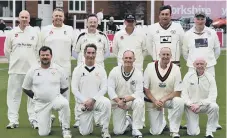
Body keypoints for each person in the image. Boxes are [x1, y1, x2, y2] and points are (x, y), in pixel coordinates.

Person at [22, 46, 72, 138]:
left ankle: (66, 129)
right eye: (43, 55)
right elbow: (25, 88)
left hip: (55, 99)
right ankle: (49, 119)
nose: (45, 57)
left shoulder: (58, 69)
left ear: (51, 56)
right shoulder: (33, 70)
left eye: (47, 55)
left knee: (64, 103)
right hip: (41, 104)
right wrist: (36, 97)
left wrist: (55, 94)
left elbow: (65, 86)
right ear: (39, 56)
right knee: (43, 133)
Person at [72, 14, 110, 128]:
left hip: (98, 70)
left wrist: (97, 62)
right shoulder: (81, 36)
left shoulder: (103, 36)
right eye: (90, 22)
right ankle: (78, 118)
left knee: (97, 94)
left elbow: (107, 53)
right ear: (87, 23)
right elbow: (75, 52)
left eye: (94, 22)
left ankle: (97, 119)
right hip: (83, 70)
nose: (92, 24)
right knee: (79, 94)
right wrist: (82, 63)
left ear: (98, 23)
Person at [4, 10, 39, 129]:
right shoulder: (12, 33)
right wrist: (15, 61)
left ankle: (34, 119)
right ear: (18, 18)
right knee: (13, 96)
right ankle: (13, 120)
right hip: (15, 70)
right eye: (22, 17)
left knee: (33, 97)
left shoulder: (35, 32)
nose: (24, 19)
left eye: (26, 17)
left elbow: (39, 51)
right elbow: (7, 51)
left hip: (31, 71)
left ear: (29, 19)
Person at [39, 8, 74, 123]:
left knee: (64, 95)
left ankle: (63, 120)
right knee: (47, 94)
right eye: (56, 15)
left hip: (65, 68)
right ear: (52, 17)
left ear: (63, 17)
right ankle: (47, 118)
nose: (58, 17)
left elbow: (75, 48)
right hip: (48, 68)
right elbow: (39, 49)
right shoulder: (45, 30)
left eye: (60, 15)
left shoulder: (69, 29)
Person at [71, 44, 111, 138]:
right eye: (88, 53)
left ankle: (105, 130)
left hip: (96, 101)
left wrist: (93, 100)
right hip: (84, 103)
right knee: (85, 132)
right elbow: (74, 89)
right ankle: (92, 119)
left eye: (93, 53)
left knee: (107, 102)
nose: (91, 55)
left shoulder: (101, 69)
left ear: (95, 54)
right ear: (84, 54)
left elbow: (104, 88)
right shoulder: (77, 70)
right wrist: (85, 101)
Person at [143, 47, 184, 138]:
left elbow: (177, 91)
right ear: (159, 55)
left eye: (167, 54)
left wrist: (163, 100)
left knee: (179, 101)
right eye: (163, 54)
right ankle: (163, 123)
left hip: (168, 100)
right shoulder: (150, 67)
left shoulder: (176, 69)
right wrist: (155, 101)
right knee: (155, 132)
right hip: (153, 101)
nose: (165, 56)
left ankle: (174, 131)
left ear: (171, 56)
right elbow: (146, 89)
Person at [108, 50, 144, 138]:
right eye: (126, 58)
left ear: (134, 59)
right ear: (122, 59)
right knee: (118, 132)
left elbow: (139, 92)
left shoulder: (138, 73)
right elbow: (110, 89)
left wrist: (124, 100)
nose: (128, 60)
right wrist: (118, 101)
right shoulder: (114, 71)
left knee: (139, 101)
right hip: (117, 102)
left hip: (131, 101)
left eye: (130, 58)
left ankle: (136, 129)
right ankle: (128, 120)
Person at [181, 58, 219, 138]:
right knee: (193, 133)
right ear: (194, 65)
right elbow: (183, 94)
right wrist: (191, 104)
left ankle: (209, 132)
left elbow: (213, 96)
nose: (199, 66)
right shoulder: (188, 76)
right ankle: (191, 125)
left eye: (202, 64)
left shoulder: (210, 78)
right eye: (197, 64)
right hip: (191, 107)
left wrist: (199, 104)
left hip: (203, 105)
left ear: (206, 65)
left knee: (214, 106)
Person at [182, 11, 220, 77]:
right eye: (198, 19)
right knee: (193, 87)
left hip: (209, 68)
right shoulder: (187, 34)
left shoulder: (212, 33)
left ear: (205, 20)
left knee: (210, 87)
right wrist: (193, 62)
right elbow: (185, 52)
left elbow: (217, 50)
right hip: (193, 68)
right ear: (194, 20)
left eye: (202, 19)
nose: (200, 21)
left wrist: (209, 61)